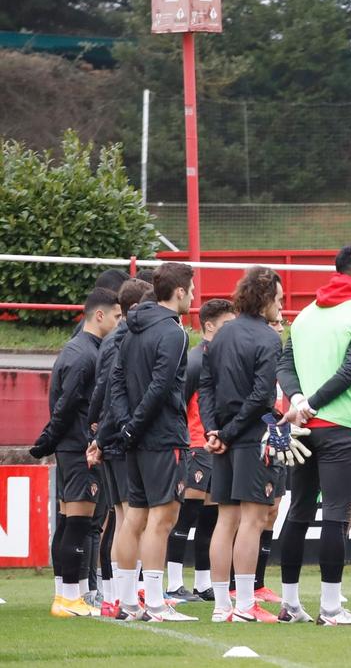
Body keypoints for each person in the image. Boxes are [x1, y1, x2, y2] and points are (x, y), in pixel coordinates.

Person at [272, 245, 351, 625]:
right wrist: (313, 403)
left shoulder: (305, 314)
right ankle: (331, 609)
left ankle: (289, 604)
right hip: (337, 426)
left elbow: (284, 363)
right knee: (335, 513)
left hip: (302, 427)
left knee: (299, 511)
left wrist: (299, 399)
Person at [101, 261, 198, 622]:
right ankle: (155, 605)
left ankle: (126, 602)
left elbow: (118, 382)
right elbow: (160, 387)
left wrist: (127, 426)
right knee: (162, 519)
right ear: (178, 292)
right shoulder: (174, 332)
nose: (193, 295)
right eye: (191, 289)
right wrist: (135, 426)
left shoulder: (129, 329)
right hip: (161, 437)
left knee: (134, 517)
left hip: (135, 438)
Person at [200, 267, 288, 623]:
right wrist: (231, 432)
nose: (281, 306)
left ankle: (223, 606)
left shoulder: (221, 334)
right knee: (252, 521)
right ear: (265, 299)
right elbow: (261, 395)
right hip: (250, 438)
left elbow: (205, 385)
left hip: (223, 437)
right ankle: (246, 605)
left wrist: (213, 430)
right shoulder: (269, 339)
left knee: (226, 519)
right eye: (279, 299)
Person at [31, 288, 123, 618]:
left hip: (71, 447)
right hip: (79, 448)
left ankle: (67, 594)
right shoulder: (84, 356)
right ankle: (67, 597)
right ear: (99, 315)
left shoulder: (81, 350)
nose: (119, 322)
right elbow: (66, 406)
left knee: (72, 521)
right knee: (80, 524)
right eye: (116, 316)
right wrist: (47, 440)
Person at [86, 277, 151, 616]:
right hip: (119, 440)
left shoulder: (114, 339)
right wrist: (101, 435)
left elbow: (101, 394)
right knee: (129, 518)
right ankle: (122, 594)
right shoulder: (125, 341)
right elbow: (112, 393)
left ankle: (119, 594)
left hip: (110, 438)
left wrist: (97, 431)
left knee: (123, 517)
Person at [167, 298, 234, 604]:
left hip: (213, 445)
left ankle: (202, 584)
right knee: (186, 515)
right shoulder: (195, 360)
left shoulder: (220, 357)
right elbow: (178, 403)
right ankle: (173, 583)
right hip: (195, 445)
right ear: (209, 326)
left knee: (210, 516)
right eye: (226, 325)